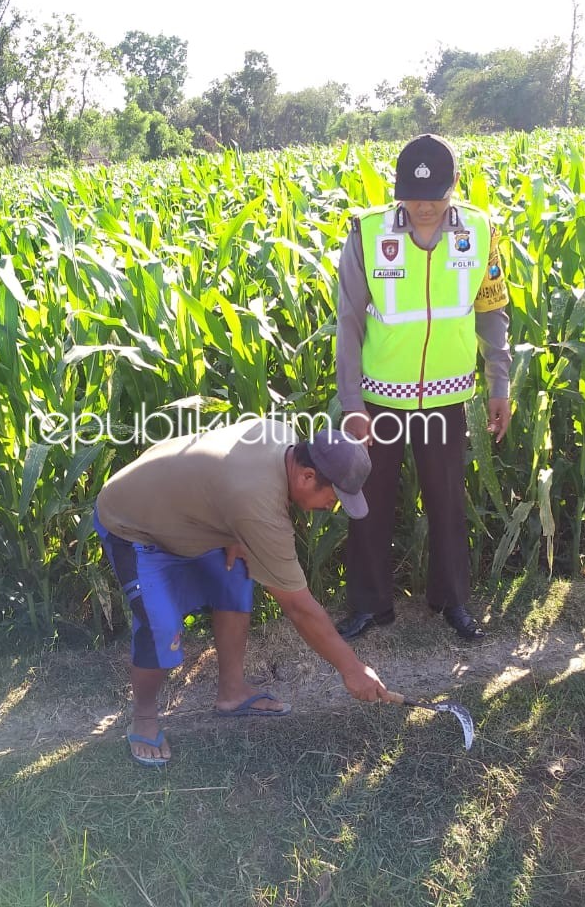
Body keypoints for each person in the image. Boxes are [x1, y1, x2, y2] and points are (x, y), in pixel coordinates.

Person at [93, 418, 389, 767]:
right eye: (334, 496)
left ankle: (232, 694)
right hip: (135, 525)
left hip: (190, 519)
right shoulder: (257, 502)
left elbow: (221, 469)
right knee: (160, 628)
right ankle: (143, 715)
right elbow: (298, 606)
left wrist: (236, 532)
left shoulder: (281, 435)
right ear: (307, 476)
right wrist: (352, 669)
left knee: (235, 578)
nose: (332, 506)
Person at [333, 133, 512, 642]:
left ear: (454, 187)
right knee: (367, 500)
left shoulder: (480, 231)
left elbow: (491, 308)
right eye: (413, 197)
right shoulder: (367, 233)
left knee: (448, 501)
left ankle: (451, 600)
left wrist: (499, 380)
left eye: (435, 197)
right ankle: (370, 606)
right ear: (398, 192)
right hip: (379, 396)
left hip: (448, 395)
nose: (424, 208)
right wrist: (351, 402)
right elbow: (349, 322)